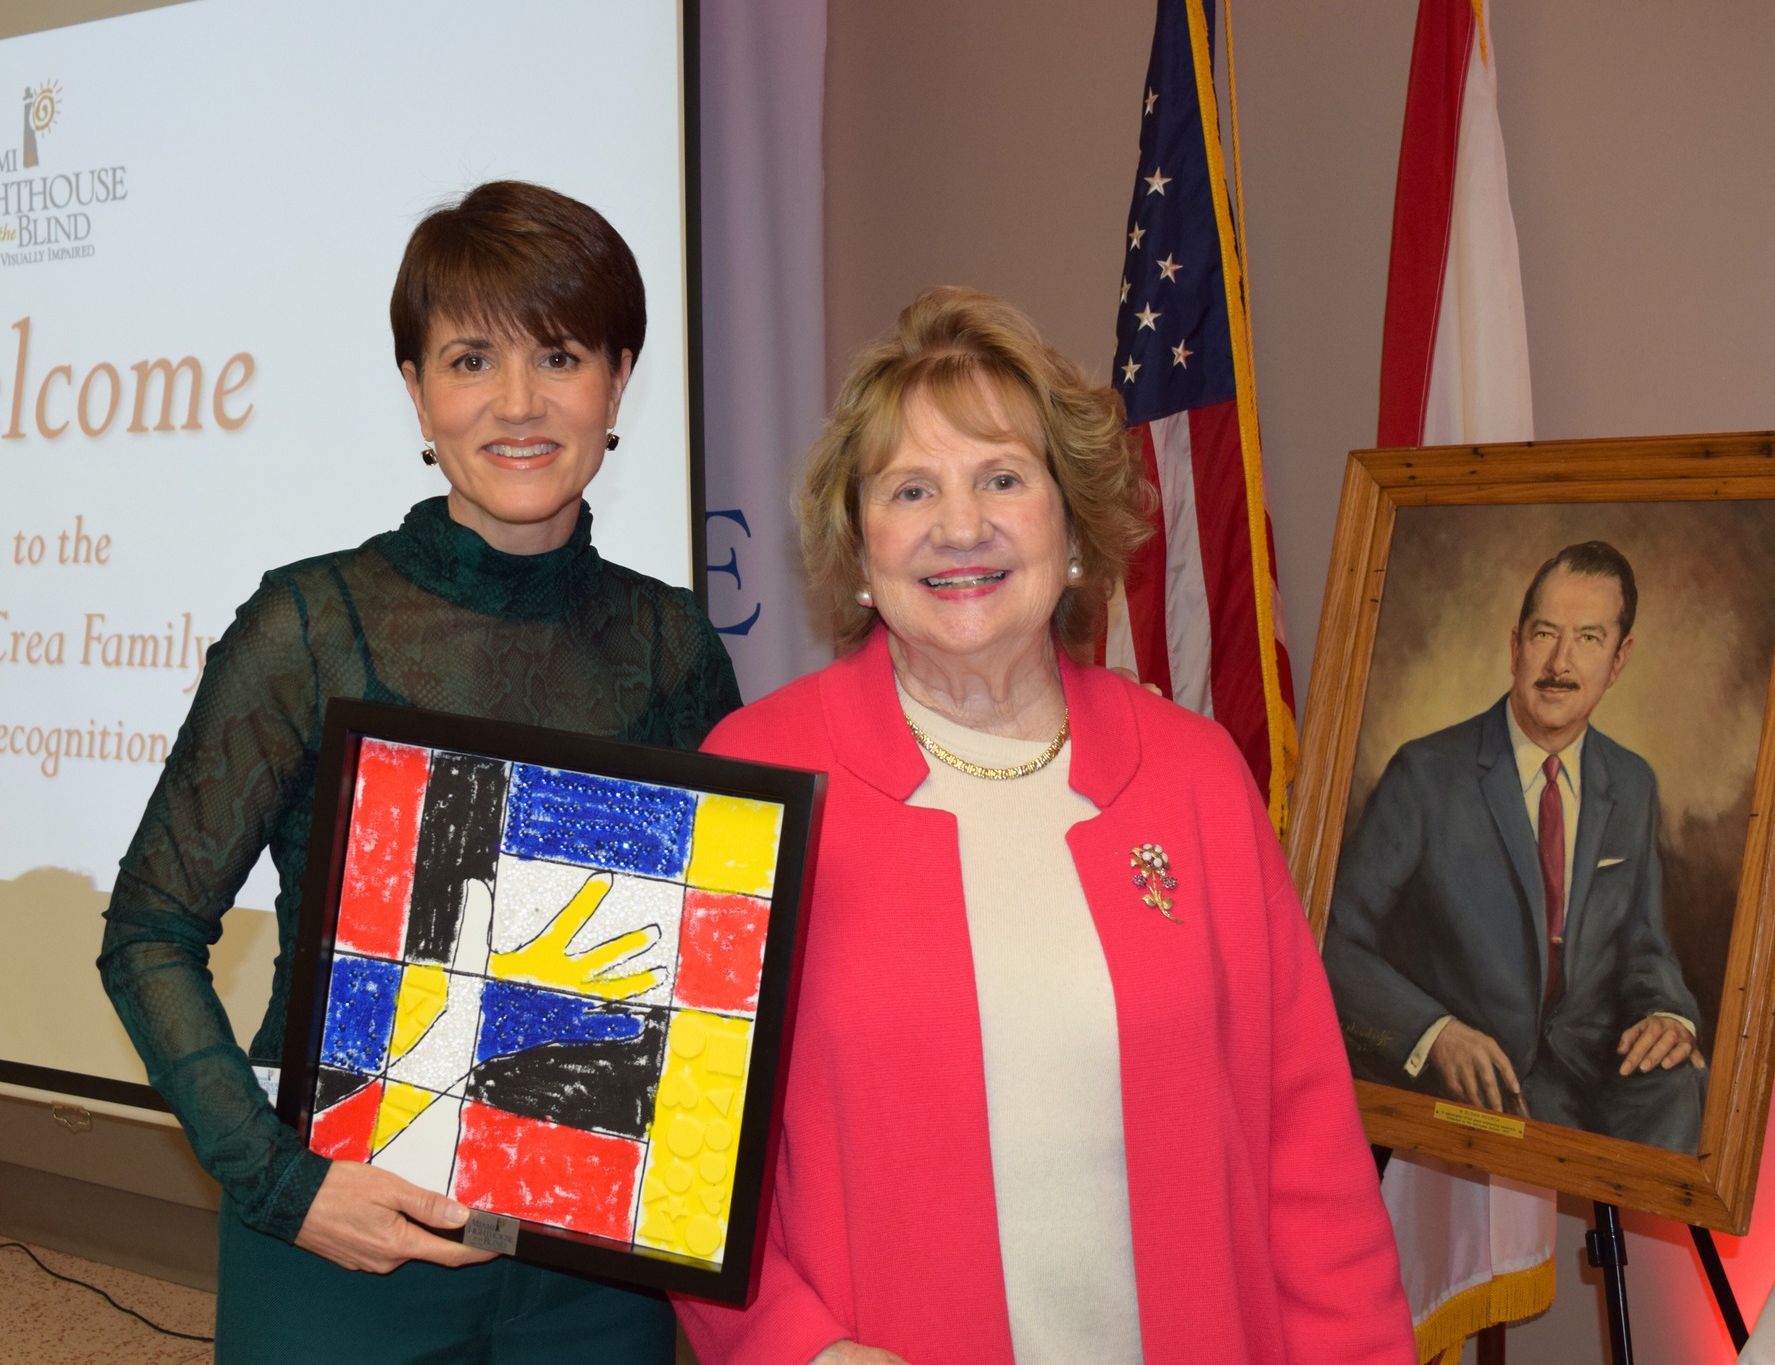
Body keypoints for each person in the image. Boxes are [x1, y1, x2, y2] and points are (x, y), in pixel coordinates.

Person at [674, 287, 1413, 1365]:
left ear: (1070, 527)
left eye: (1003, 479)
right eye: (911, 489)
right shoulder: (753, 776)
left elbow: (1308, 1155)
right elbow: (687, 1153)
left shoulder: (1196, 775)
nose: (959, 526)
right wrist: (801, 1352)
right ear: (861, 548)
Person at [97, 180, 739, 1362]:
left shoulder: (670, 645)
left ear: (616, 381)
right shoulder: (309, 627)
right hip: (342, 1243)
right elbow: (147, 933)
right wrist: (282, 1184)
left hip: (596, 1268)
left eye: (558, 356)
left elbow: (709, 968)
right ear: (416, 390)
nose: (517, 403)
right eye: (468, 360)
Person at [1323, 541, 1704, 1152]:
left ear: (1619, 660)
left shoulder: (1633, 784)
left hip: (1588, 1075)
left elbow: (1644, 946)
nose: (1559, 662)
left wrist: (1669, 1015)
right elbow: (1333, 938)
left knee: (1681, 1090)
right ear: (1515, 645)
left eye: (1588, 638)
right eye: (1545, 633)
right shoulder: (1424, 774)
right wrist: (1435, 1034)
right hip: (1461, 1083)